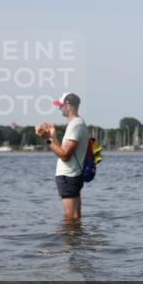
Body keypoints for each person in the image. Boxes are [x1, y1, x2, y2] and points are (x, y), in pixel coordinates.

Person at [36, 92, 89, 222]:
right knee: (74, 218)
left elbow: (65, 156)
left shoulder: (75, 125)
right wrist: (53, 136)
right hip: (71, 176)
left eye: (60, 105)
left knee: (71, 218)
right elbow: (62, 151)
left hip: (68, 177)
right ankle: (74, 240)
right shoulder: (76, 124)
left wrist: (47, 140)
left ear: (68, 105)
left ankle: (68, 242)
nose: (59, 108)